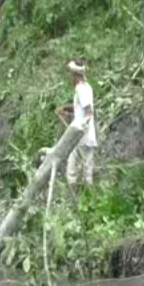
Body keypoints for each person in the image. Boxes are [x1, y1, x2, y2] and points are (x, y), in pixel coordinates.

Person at [56, 59, 98, 194]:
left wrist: (79, 129)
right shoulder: (87, 87)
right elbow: (80, 108)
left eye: (70, 75)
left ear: (75, 75)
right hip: (87, 136)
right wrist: (66, 109)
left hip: (81, 138)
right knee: (87, 169)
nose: (69, 78)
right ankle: (88, 198)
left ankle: (75, 198)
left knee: (72, 170)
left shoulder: (80, 89)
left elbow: (88, 111)